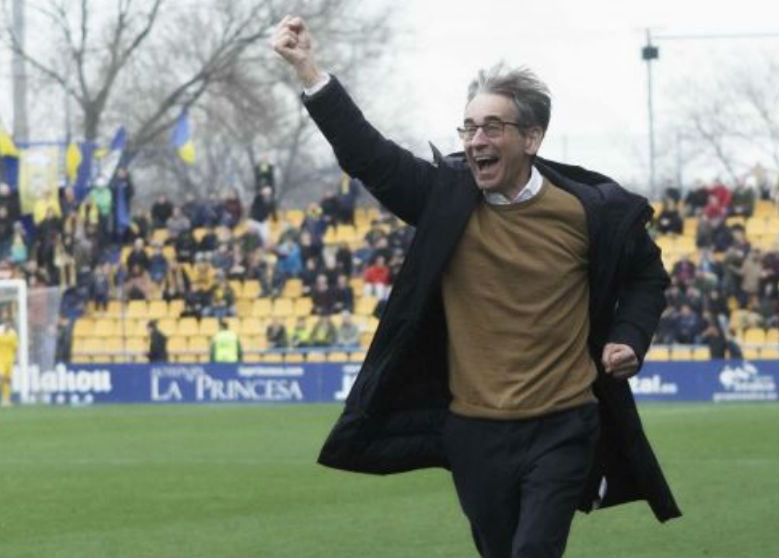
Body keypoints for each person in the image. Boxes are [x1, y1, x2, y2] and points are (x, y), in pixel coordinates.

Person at [273, 16, 680, 558]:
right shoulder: (445, 197)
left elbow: (647, 275)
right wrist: (309, 70)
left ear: (531, 138)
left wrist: (629, 336)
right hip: (474, 432)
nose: (475, 140)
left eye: (492, 127)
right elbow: (368, 155)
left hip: (564, 423)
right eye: (468, 128)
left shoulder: (591, 211)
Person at [0, 321, 19, 407]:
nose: (8, 326)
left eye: (9, 325)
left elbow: (15, 347)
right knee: (1, 378)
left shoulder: (13, 335)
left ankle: (6, 399)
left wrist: (16, 357)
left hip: (9, 360)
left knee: (7, 380)